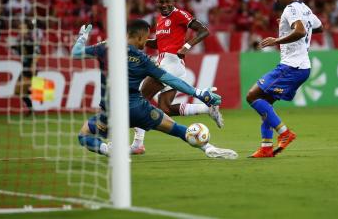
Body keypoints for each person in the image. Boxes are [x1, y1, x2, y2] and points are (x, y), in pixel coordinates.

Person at [71, 20, 237, 160]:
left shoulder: (105, 48)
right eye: (146, 39)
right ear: (140, 36)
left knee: (84, 135)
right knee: (175, 128)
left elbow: (76, 53)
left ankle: (109, 150)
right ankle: (208, 148)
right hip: (138, 110)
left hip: (111, 113)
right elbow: (172, 80)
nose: (146, 43)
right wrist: (198, 93)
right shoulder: (144, 60)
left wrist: (82, 37)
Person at [131, 0, 223, 155]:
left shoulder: (180, 14)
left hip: (170, 63)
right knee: (165, 108)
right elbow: (158, 43)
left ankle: (138, 144)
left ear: (173, 2)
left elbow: (204, 30)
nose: (165, 5)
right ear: (156, 2)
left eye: (168, 2)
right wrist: (138, 42)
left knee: (139, 99)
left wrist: (187, 45)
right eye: (161, 2)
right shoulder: (159, 19)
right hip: (171, 66)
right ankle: (207, 109)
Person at [246, 0, 323, 158]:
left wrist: (276, 40)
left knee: (252, 96)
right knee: (266, 104)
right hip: (301, 66)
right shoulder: (305, 9)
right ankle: (266, 147)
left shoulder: (291, 9)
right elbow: (318, 27)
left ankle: (285, 133)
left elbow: (300, 31)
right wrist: (291, 24)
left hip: (292, 66)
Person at [12, 19, 41, 116]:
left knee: (20, 90)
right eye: (20, 28)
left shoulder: (30, 39)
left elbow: (37, 53)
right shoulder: (19, 40)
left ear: (27, 29)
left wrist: (33, 65)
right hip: (24, 67)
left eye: (22, 28)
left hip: (30, 68)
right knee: (18, 91)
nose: (20, 30)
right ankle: (31, 105)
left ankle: (37, 95)